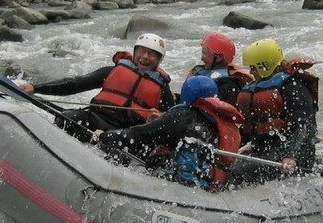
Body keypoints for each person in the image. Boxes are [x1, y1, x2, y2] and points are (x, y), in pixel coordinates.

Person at [96, 75, 243, 190]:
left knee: (128, 149)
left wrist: (105, 135)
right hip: (207, 183)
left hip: (181, 183)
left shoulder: (184, 115)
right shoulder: (218, 120)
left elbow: (139, 134)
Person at [20, 33, 174, 137]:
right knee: (67, 118)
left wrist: (161, 117)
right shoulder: (113, 71)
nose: (145, 57)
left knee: (118, 145)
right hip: (96, 118)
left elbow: (173, 121)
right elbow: (76, 83)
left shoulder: (162, 90)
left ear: (159, 60)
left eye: (151, 54)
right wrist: (36, 88)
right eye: (142, 51)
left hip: (126, 132)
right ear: (135, 52)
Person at [228, 38, 319, 186]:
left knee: (236, 171)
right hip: (264, 150)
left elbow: (304, 127)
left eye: (253, 67)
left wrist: (291, 156)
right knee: (224, 167)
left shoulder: (294, 88)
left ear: (265, 66)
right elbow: (249, 128)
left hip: (294, 154)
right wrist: (227, 147)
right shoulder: (256, 88)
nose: (251, 72)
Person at [185, 32, 253, 105]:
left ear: (219, 57)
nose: (202, 58)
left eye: (205, 54)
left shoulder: (229, 85)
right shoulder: (199, 72)